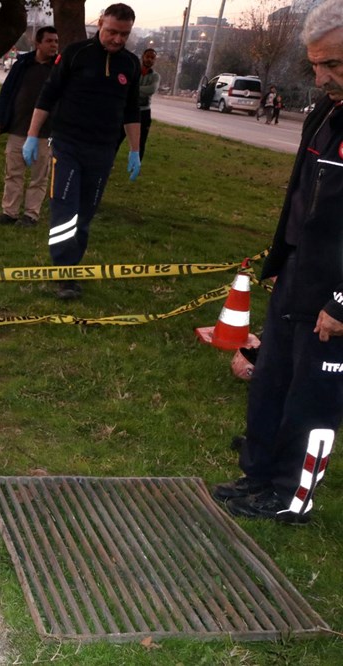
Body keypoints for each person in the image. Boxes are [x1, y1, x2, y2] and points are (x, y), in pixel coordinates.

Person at [211, 0, 343, 525]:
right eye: (316, 64)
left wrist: (340, 303)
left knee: (313, 402)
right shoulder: (325, 112)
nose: (322, 76)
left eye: (333, 63)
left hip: (333, 299)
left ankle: (293, 497)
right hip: (295, 277)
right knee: (271, 383)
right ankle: (259, 474)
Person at [23, 3, 141, 300]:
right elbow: (49, 94)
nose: (117, 39)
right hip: (68, 145)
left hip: (102, 151)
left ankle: (73, 268)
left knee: (85, 213)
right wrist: (31, 135)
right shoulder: (76, 53)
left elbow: (131, 110)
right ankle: (63, 273)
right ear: (100, 23)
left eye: (123, 34)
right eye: (112, 31)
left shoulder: (130, 64)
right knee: (65, 210)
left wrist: (134, 151)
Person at [0, 26, 59, 228]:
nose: (54, 45)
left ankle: (31, 215)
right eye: (49, 41)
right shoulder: (22, 65)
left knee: (39, 176)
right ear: (37, 43)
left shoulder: (59, 69)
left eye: (56, 41)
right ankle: (9, 212)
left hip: (46, 134)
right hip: (18, 129)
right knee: (13, 173)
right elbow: (7, 93)